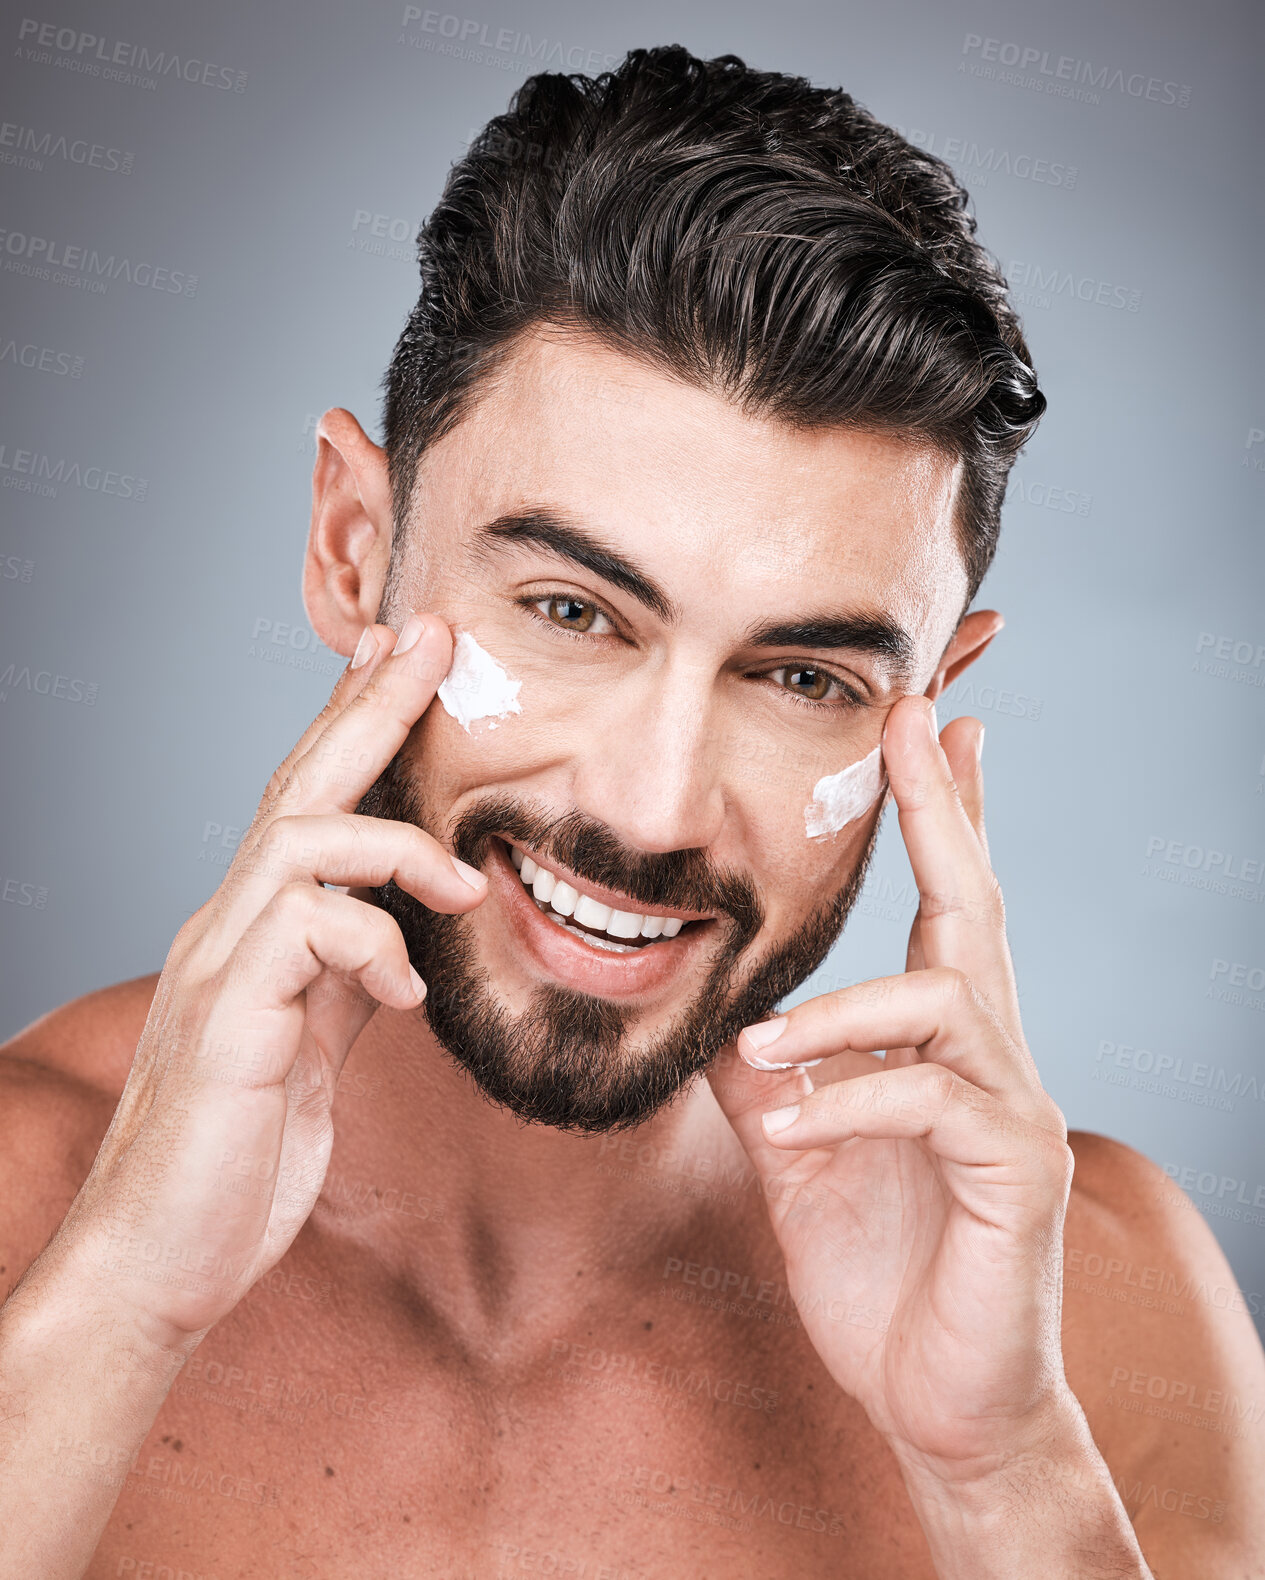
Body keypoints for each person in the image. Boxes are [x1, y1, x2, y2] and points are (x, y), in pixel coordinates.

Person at [2, 45, 1261, 1579]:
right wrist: (123, 1298)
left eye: (800, 678)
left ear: (924, 708)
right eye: (571, 612)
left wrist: (999, 1474)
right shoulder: (27, 1215)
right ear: (351, 548)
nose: (653, 811)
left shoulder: (1086, 1306)